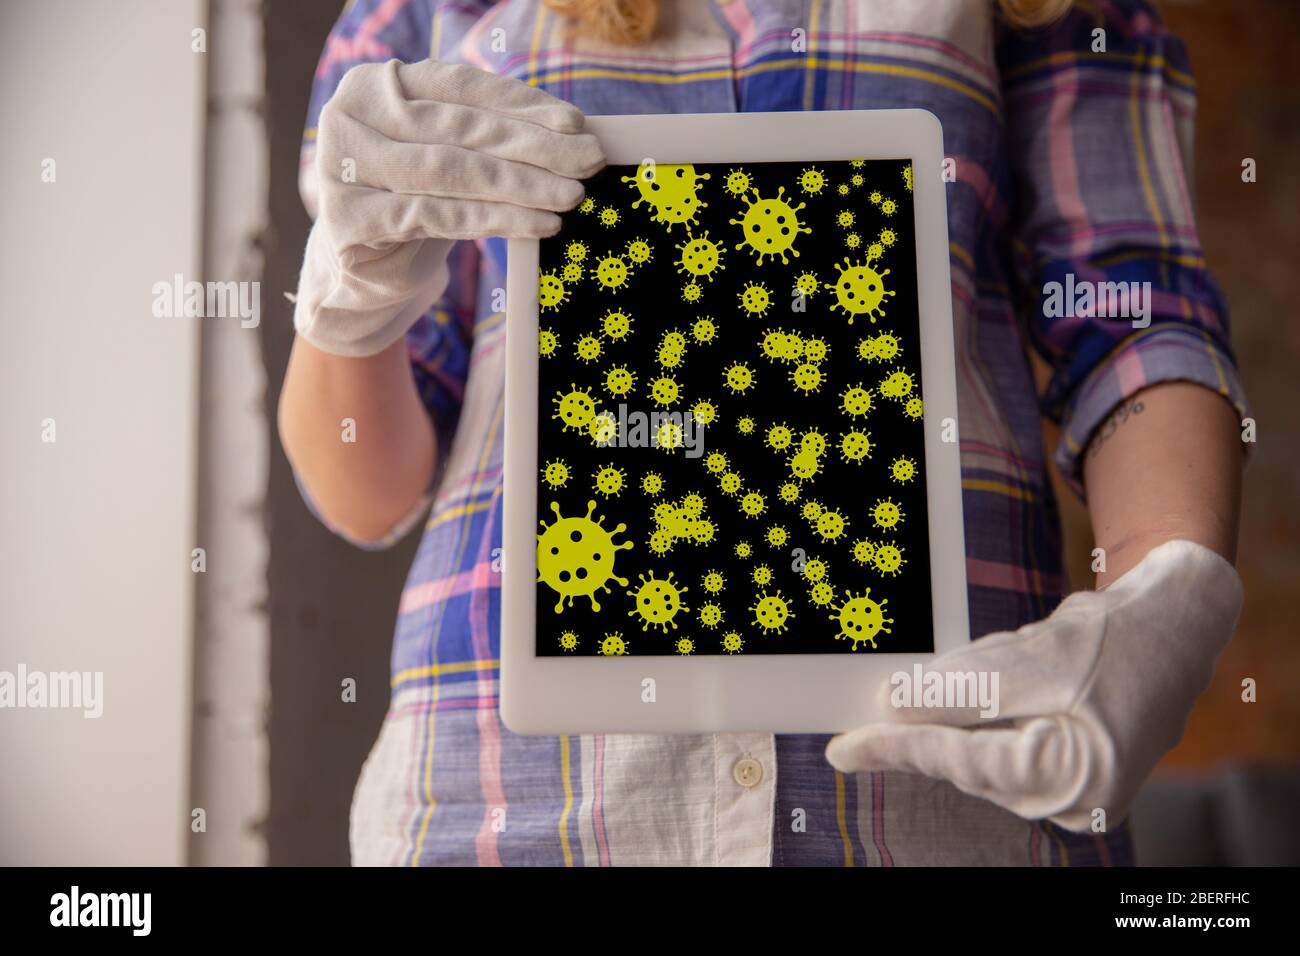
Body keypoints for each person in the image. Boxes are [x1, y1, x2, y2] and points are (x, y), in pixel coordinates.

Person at [279, 0, 1248, 865]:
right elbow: (367, 489)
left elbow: (1131, 315)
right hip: (508, 799)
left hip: (939, 794)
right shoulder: (420, 13)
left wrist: (1163, 592)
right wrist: (353, 290)